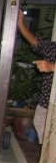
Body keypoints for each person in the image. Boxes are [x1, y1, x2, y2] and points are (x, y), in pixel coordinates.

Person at [17, 10, 56, 143]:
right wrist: (21, 24)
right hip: (46, 103)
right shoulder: (53, 48)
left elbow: (52, 66)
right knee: (41, 125)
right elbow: (35, 42)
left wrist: (53, 67)